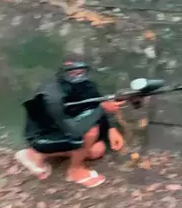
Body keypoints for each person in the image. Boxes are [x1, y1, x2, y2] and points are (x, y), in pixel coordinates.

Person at [15, 60, 125, 188]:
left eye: (81, 72)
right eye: (73, 72)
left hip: (64, 126)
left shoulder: (87, 85)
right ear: (63, 72)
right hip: (43, 135)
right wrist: (102, 109)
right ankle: (74, 170)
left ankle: (36, 154)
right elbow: (76, 130)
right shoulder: (52, 97)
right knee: (91, 131)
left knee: (97, 150)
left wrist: (112, 128)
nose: (78, 76)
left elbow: (99, 102)